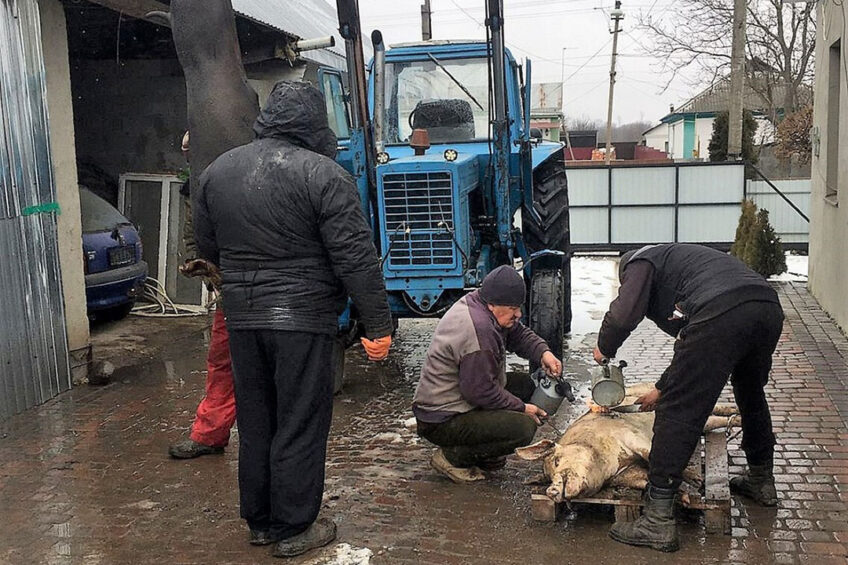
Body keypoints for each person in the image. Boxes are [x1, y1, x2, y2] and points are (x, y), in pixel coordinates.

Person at [192, 81, 393, 558]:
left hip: (241, 318)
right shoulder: (324, 175)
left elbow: (208, 246)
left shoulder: (218, 171)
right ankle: (294, 526)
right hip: (302, 320)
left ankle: (259, 521)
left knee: (257, 419)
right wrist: (378, 326)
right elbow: (355, 258)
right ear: (314, 123)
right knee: (300, 421)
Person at [594, 243, 784, 552]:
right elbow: (693, 341)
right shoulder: (685, 266)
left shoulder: (640, 261)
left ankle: (657, 520)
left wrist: (603, 348)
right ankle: (762, 479)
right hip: (765, 307)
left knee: (679, 411)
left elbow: (623, 317)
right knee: (750, 392)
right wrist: (662, 385)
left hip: (724, 308)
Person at [412, 265, 563, 483]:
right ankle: (452, 457)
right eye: (513, 308)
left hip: (463, 397)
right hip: (442, 419)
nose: (518, 313)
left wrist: (543, 353)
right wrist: (523, 408)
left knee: (527, 385)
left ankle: (485, 450)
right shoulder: (479, 329)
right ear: (493, 304)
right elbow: (480, 392)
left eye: (518, 307)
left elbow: (517, 333)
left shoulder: (481, 302)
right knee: (523, 427)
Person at [169, 130, 237, 460]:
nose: (188, 159)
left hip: (266, 290)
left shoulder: (241, 178)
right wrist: (201, 267)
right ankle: (211, 433)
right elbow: (193, 238)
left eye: (191, 153)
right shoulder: (194, 191)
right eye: (185, 154)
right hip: (230, 292)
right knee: (222, 361)